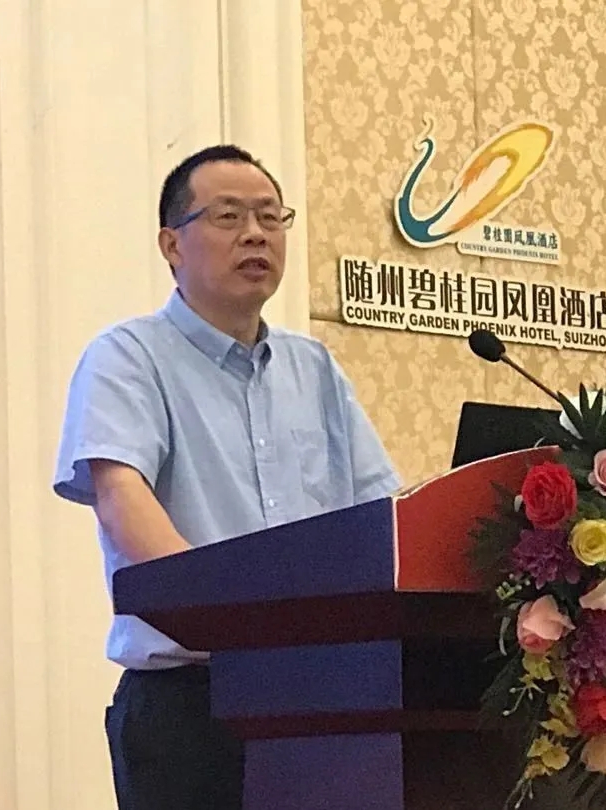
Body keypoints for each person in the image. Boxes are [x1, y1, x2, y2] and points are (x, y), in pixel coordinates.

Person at [52, 144, 402, 810]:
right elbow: (121, 496)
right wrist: (228, 621)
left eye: (271, 217)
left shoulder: (314, 370)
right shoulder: (129, 357)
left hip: (322, 701)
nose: (255, 234)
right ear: (171, 244)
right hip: (191, 705)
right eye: (229, 216)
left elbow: (379, 515)